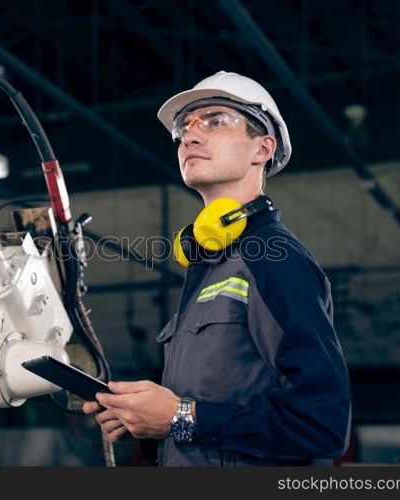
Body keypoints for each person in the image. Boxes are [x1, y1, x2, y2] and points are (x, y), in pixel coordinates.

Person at [83, 71, 351, 466]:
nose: (190, 136)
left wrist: (180, 417)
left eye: (215, 121)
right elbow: (213, 413)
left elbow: (323, 426)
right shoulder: (213, 263)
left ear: (262, 148)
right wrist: (144, 421)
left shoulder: (273, 258)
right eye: (184, 127)